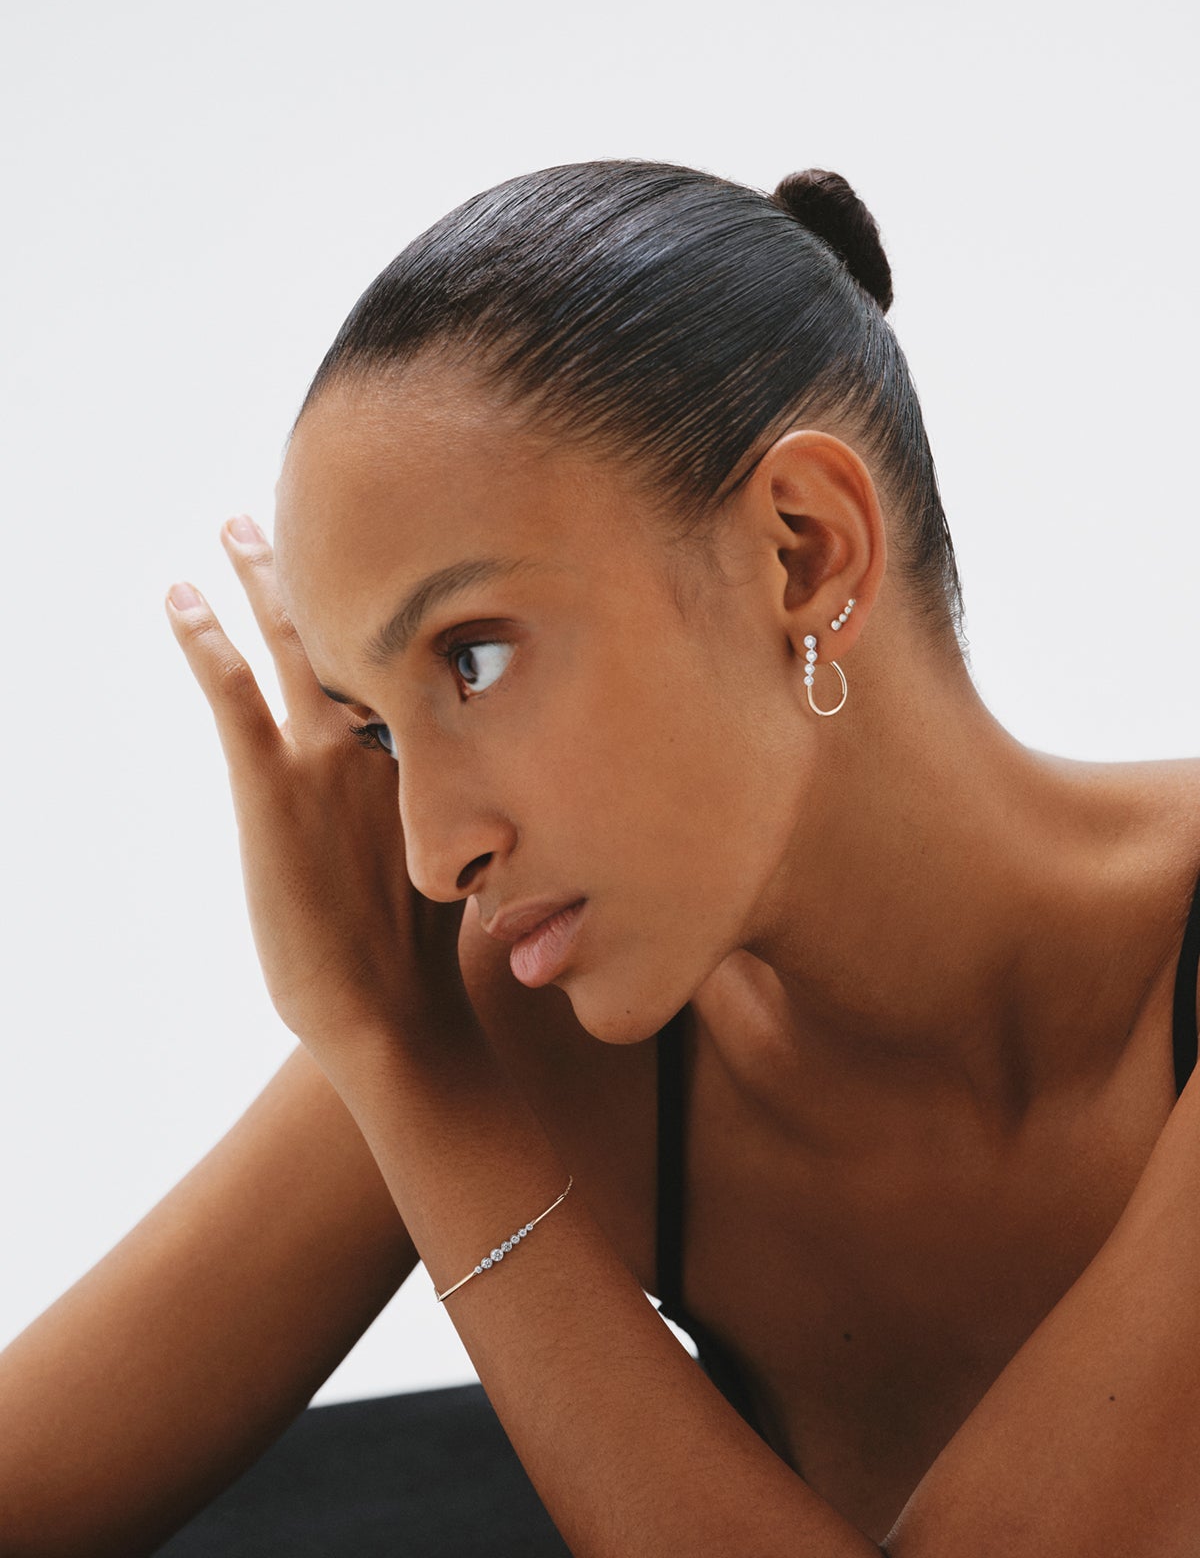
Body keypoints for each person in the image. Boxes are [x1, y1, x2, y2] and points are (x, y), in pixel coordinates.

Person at [2, 158, 1198, 1558]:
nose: (437, 851)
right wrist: (392, 1054)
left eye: (477, 654)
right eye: (378, 731)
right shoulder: (529, 1004)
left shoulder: (460, 1045)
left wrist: (413, 1085)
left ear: (802, 553)